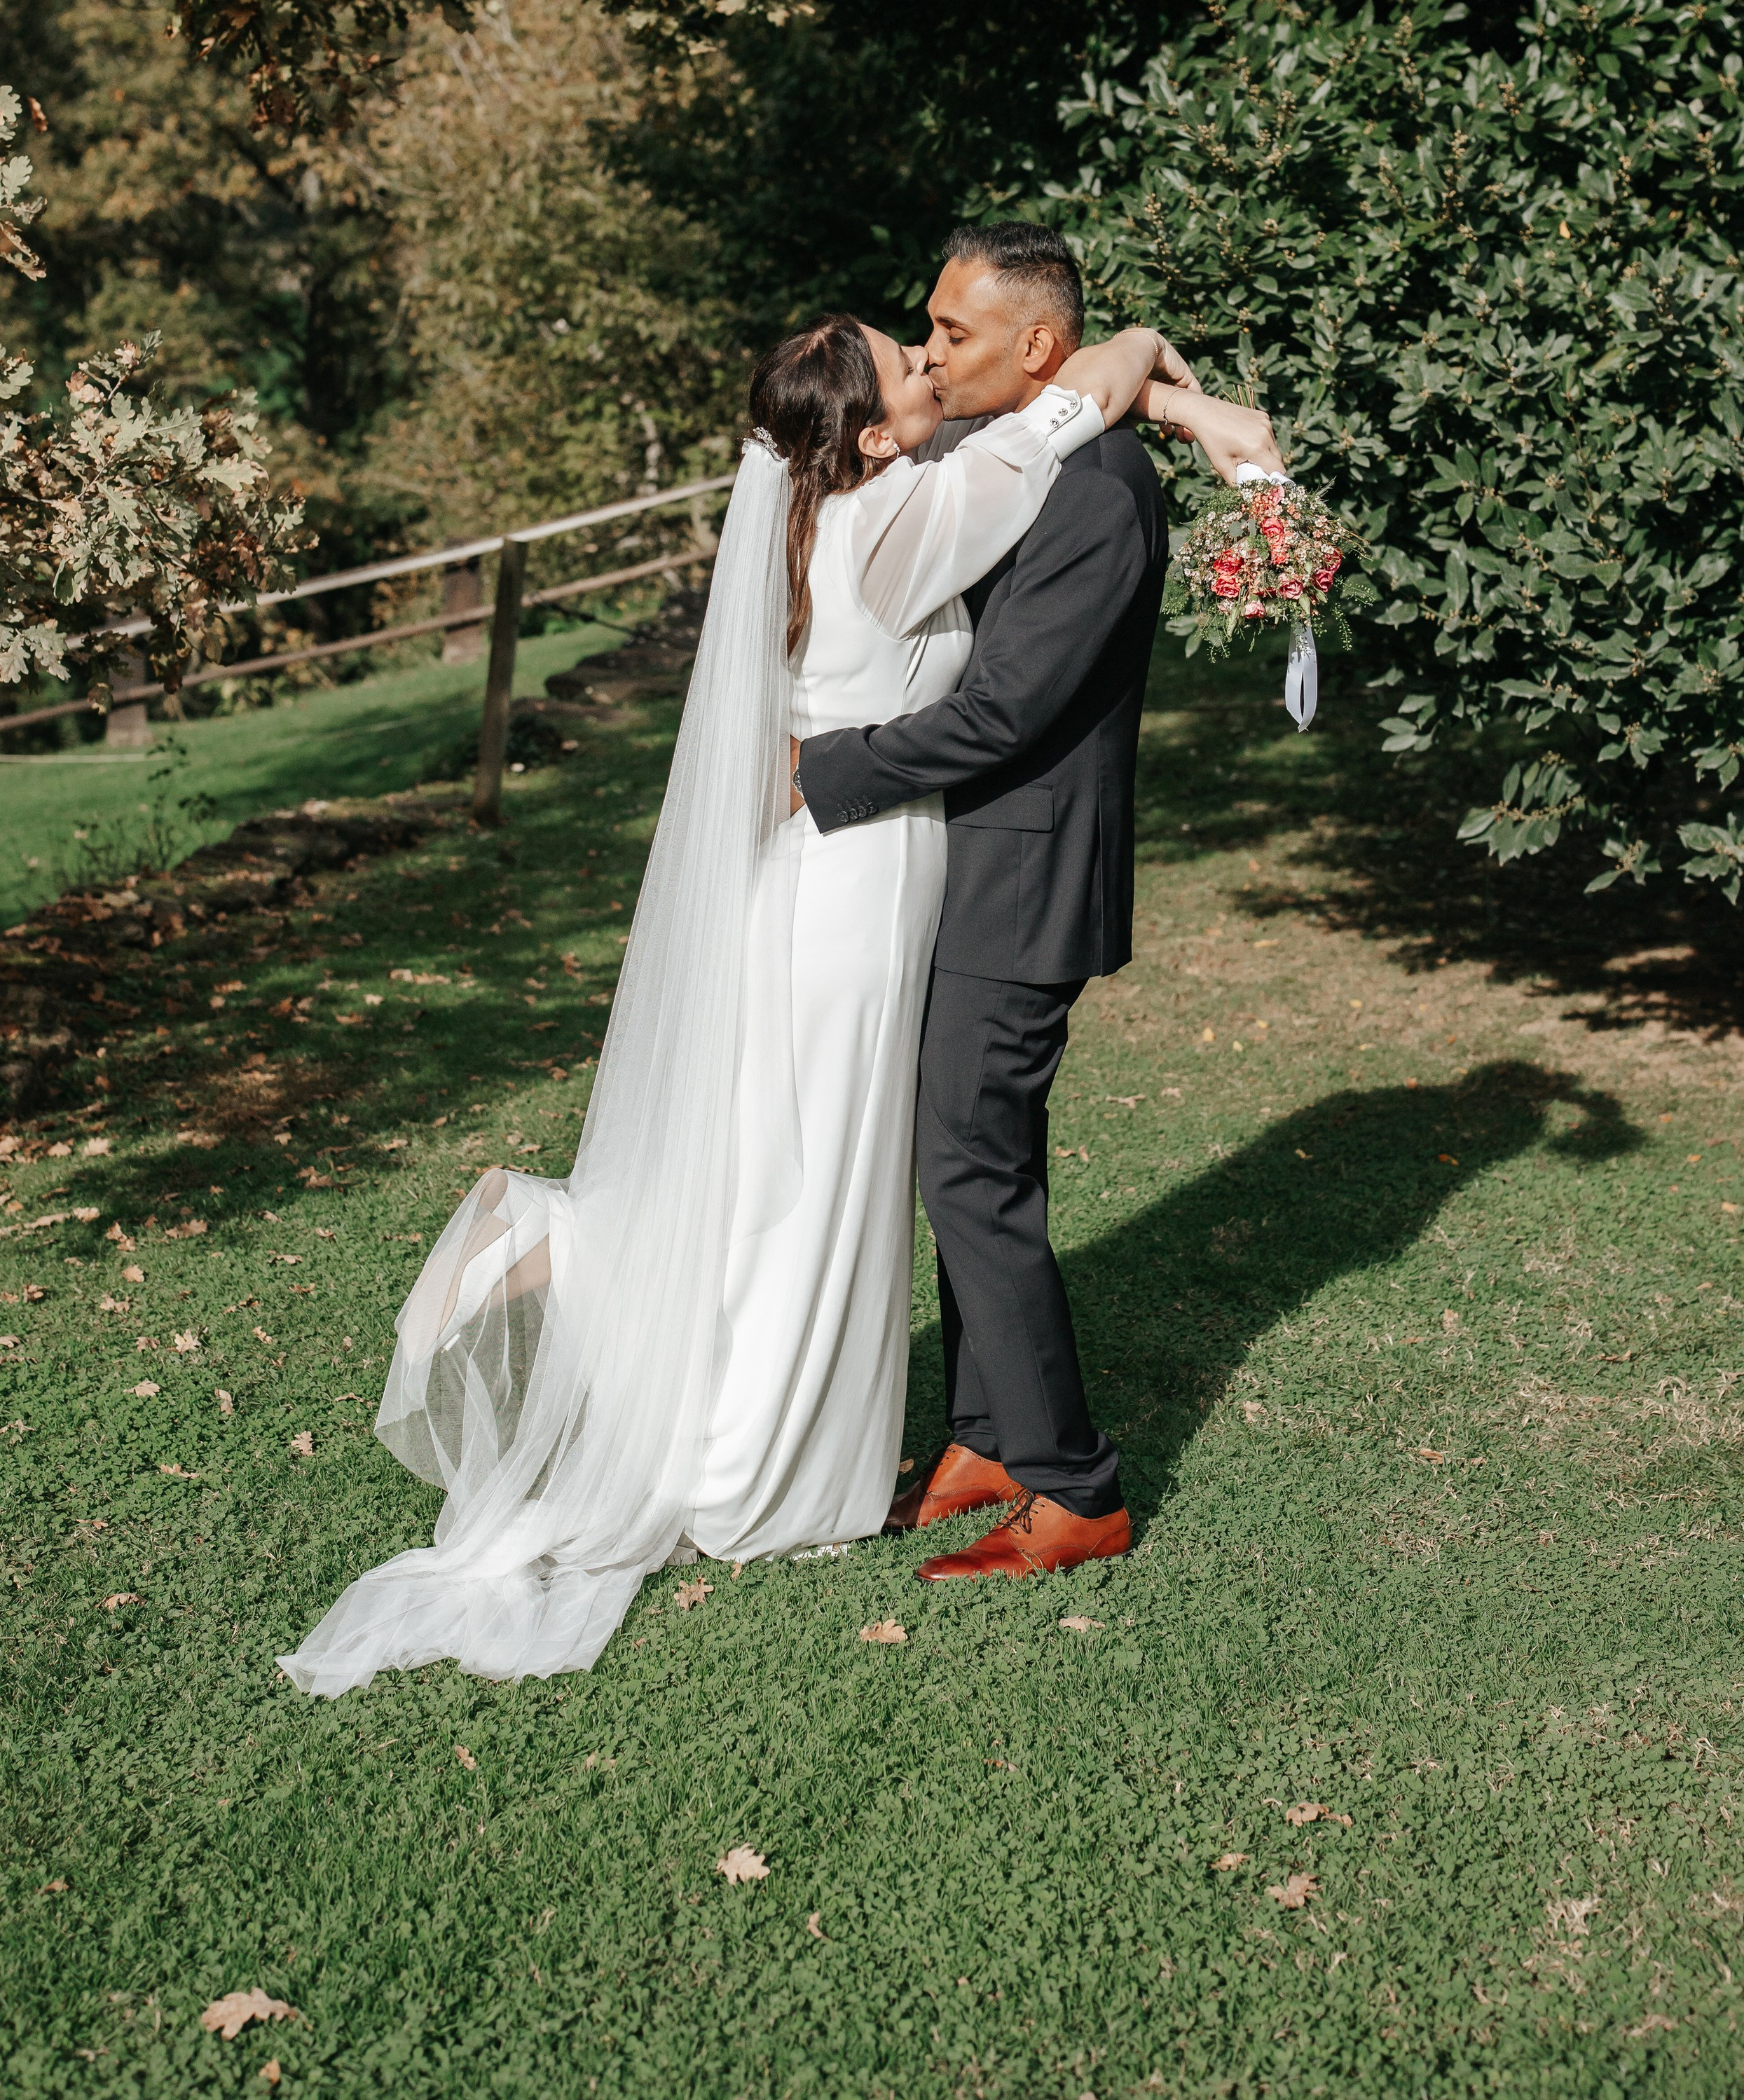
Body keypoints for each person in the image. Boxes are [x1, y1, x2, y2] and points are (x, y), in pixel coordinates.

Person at [278, 301, 1265, 1692]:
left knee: (766, 1161)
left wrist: (1183, 411)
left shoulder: (825, 512)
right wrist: (1164, 361)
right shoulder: (920, 517)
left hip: (795, 883)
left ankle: (589, 1261)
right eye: (904, 361)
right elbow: (1077, 389)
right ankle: (687, 1393)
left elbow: (1044, 407)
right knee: (804, 1181)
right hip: (855, 894)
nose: (930, 363)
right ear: (865, 433)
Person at [792, 222, 1278, 1584]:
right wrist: (1175, 388)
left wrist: (821, 772)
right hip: (965, 863)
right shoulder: (1024, 446)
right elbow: (928, 440)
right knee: (967, 1158)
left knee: (969, 1169)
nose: (930, 352)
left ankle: (1073, 1487)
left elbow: (1007, 712)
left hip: (1021, 873)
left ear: (1034, 348)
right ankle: (984, 1437)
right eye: (929, 331)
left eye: (952, 332)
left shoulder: (1095, 495)